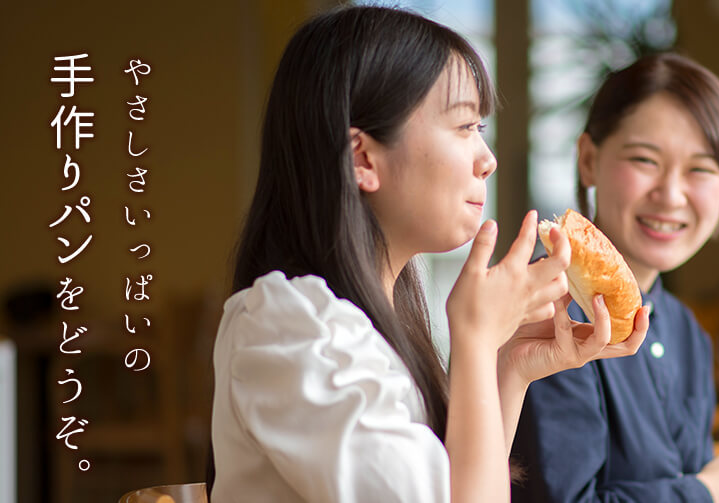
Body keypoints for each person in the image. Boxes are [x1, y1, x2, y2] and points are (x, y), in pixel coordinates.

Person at [207, 6, 649, 502]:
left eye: (480, 129)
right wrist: (477, 340)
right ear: (362, 158)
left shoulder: (376, 325)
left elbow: (457, 486)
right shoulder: (287, 326)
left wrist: (509, 366)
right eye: (464, 126)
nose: (488, 159)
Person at [511, 53, 719, 503]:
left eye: (699, 169)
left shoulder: (686, 331)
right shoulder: (547, 313)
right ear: (588, 160)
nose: (671, 194)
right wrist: (708, 492)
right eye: (644, 160)